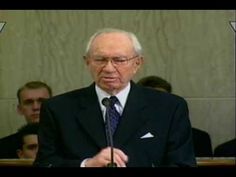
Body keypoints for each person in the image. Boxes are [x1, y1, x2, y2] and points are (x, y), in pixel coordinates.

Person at [34, 28, 196, 167]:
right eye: (100, 59)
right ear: (87, 62)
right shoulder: (58, 108)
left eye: (119, 60)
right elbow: (44, 163)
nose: (109, 68)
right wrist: (87, 165)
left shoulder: (169, 107)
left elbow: (182, 163)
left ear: (137, 63)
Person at [137, 75, 213, 157]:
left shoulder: (198, 138)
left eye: (162, 100)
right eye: (151, 101)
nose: (158, 106)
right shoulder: (128, 135)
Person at [0, 81, 52, 158]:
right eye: (28, 102)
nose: (35, 107)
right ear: (20, 109)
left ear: (53, 106)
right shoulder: (3, 147)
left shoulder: (70, 142)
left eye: (42, 101)